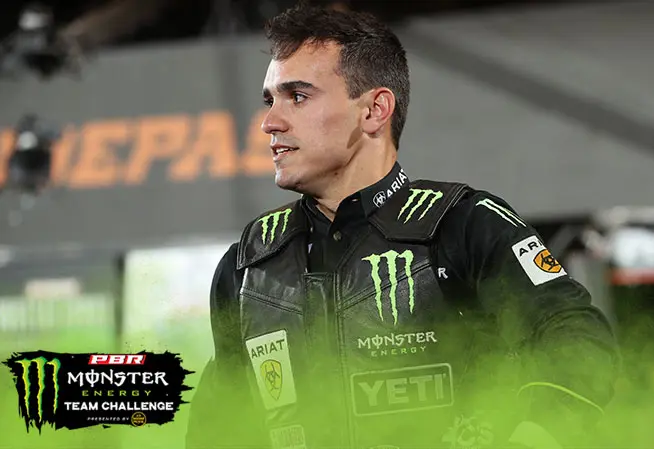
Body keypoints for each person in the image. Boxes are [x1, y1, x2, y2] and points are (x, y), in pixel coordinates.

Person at [185, 4, 619, 449]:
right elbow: (219, 427)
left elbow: (578, 338)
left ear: (375, 110)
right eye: (270, 100)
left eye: (298, 96)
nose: (270, 122)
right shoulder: (246, 266)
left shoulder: (465, 225)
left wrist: (532, 436)